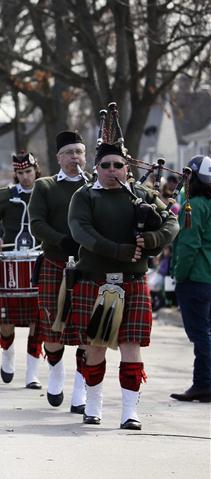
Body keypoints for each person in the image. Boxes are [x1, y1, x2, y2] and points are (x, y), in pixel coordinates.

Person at [66, 140, 178, 428]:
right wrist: (117, 250)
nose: (112, 170)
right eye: (106, 165)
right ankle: (93, 405)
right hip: (96, 279)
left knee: (131, 345)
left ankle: (130, 412)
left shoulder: (142, 194)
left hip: (132, 280)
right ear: (97, 168)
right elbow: (81, 231)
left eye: (118, 165)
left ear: (127, 168)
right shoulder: (85, 195)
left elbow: (172, 223)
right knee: (95, 347)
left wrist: (151, 240)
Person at [29, 131, 89, 411]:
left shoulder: (95, 187)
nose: (74, 158)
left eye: (79, 152)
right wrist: (61, 240)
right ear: (58, 157)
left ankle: (81, 389)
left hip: (89, 267)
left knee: (87, 331)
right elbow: (36, 224)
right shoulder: (45, 186)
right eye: (69, 153)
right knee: (52, 327)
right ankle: (55, 370)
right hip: (55, 262)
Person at [0, 151, 44, 388]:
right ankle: (7, 353)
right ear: (15, 173)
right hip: (11, 261)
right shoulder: (5, 196)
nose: (25, 177)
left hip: (40, 259)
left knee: (38, 319)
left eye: (29, 171)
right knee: (7, 320)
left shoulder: (46, 192)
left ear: (36, 169)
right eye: (21, 173)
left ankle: (33, 373)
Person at [170, 155, 211, 403]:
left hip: (196, 278)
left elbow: (188, 245)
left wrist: (179, 274)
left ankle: (204, 384)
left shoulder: (193, 206)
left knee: (200, 335)